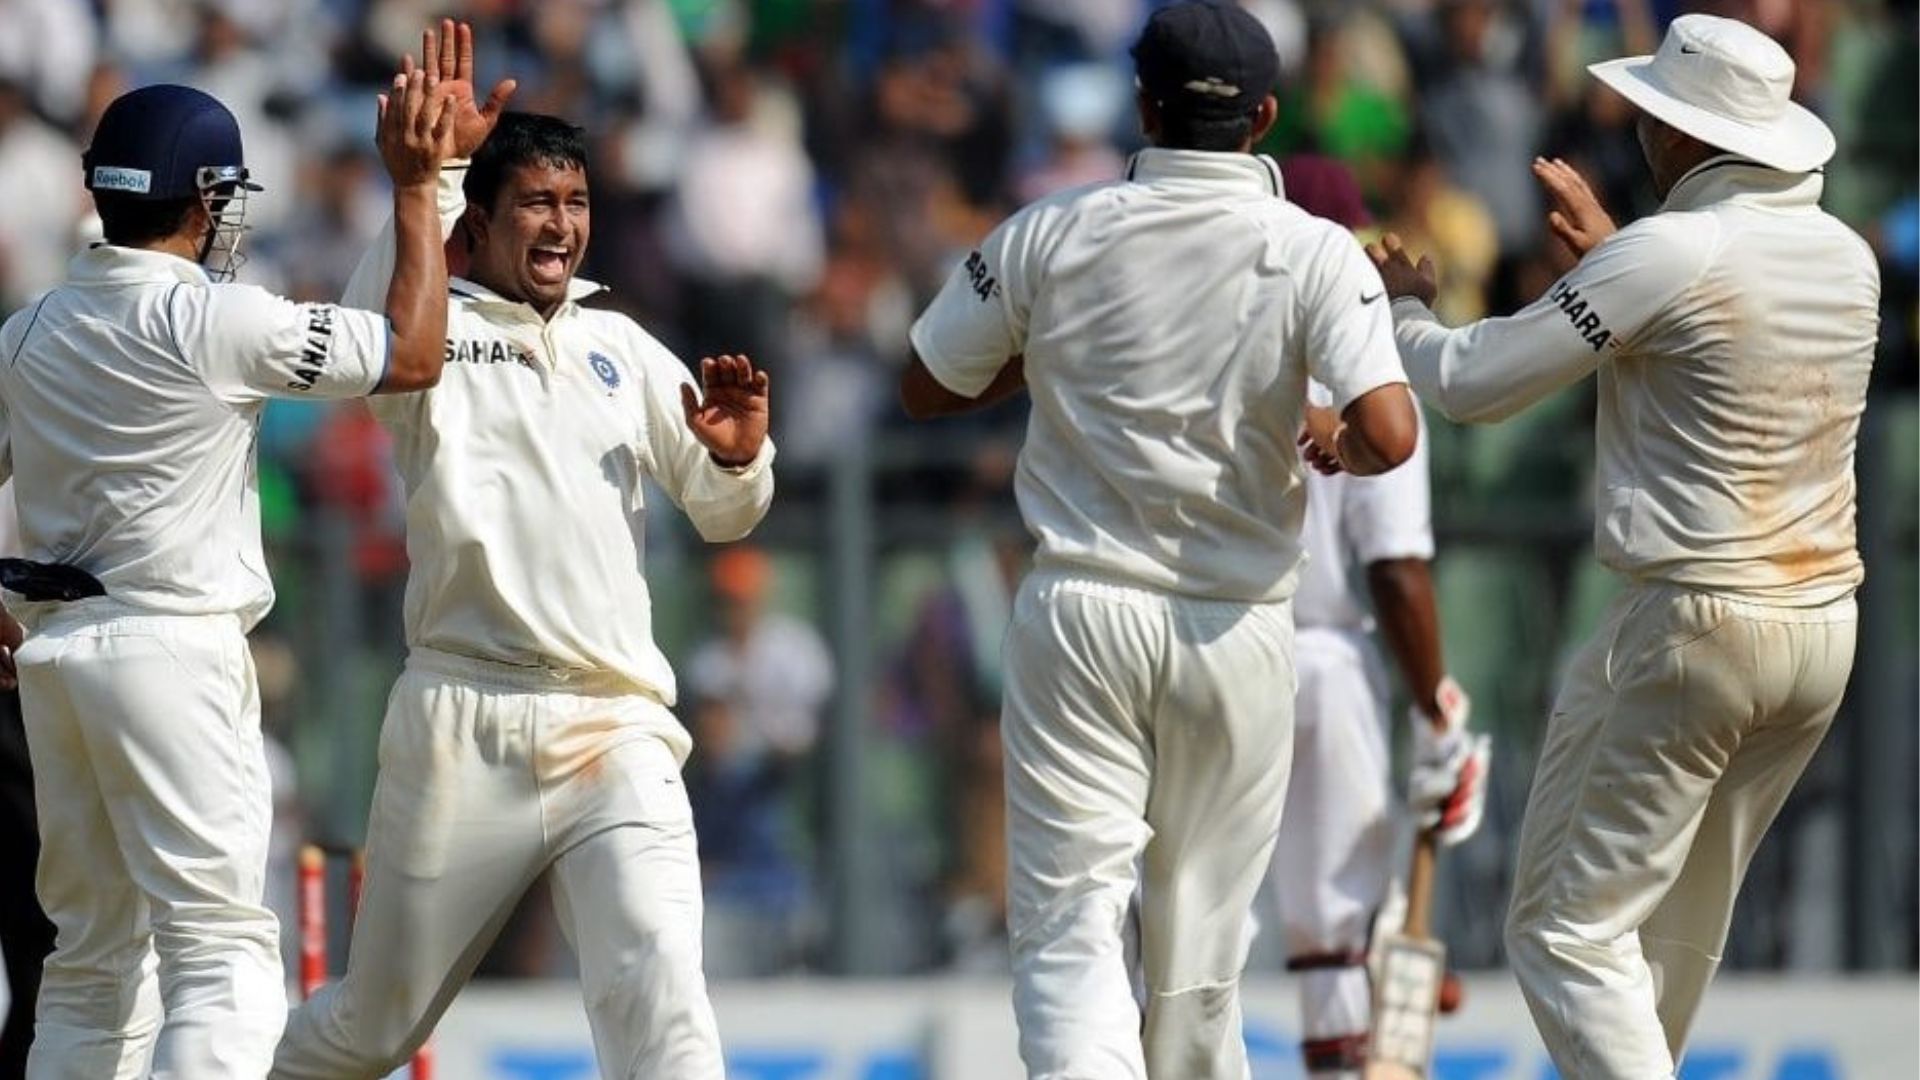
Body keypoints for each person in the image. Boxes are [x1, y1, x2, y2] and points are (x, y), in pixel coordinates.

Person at [901, 3, 1418, 1077]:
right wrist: (1325, 435)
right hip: (1239, 626)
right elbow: (1390, 434)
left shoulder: (1050, 229)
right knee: (1201, 950)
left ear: (1141, 104)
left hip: (1083, 609)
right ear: (1266, 118)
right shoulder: (1316, 250)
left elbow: (926, 382)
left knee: (1070, 926)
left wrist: (1049, 355)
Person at [1369, 15, 1878, 1079]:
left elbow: (1470, 382)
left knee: (1565, 934)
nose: (1639, 122)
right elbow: (1712, 346)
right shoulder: (1842, 255)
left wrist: (1405, 310)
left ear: (1688, 136)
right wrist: (1618, 263)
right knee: (1667, 939)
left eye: (1656, 110)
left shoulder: (1669, 251)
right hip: (1822, 629)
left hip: (1694, 627)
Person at [271, 24, 773, 1080]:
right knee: (374, 1029)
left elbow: (727, 518)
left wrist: (738, 462)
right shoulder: (428, 334)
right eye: (538, 203)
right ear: (485, 221)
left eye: (577, 203)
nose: (562, 225)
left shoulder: (621, 346)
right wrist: (433, 173)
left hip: (614, 724)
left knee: (664, 1004)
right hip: (465, 719)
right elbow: (369, 337)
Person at [0, 65, 456, 1080]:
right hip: (174, 651)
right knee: (220, 956)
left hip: (59, 662)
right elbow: (416, 353)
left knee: (88, 967)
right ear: (205, 197)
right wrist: (421, 190)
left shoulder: (24, 333)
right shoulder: (218, 320)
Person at [1263, 162, 1489, 1080]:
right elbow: (1396, 572)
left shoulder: (1215, 337)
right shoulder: (1368, 372)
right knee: (1340, 935)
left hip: (1197, 644)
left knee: (1184, 933)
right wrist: (1436, 714)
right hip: (1319, 660)